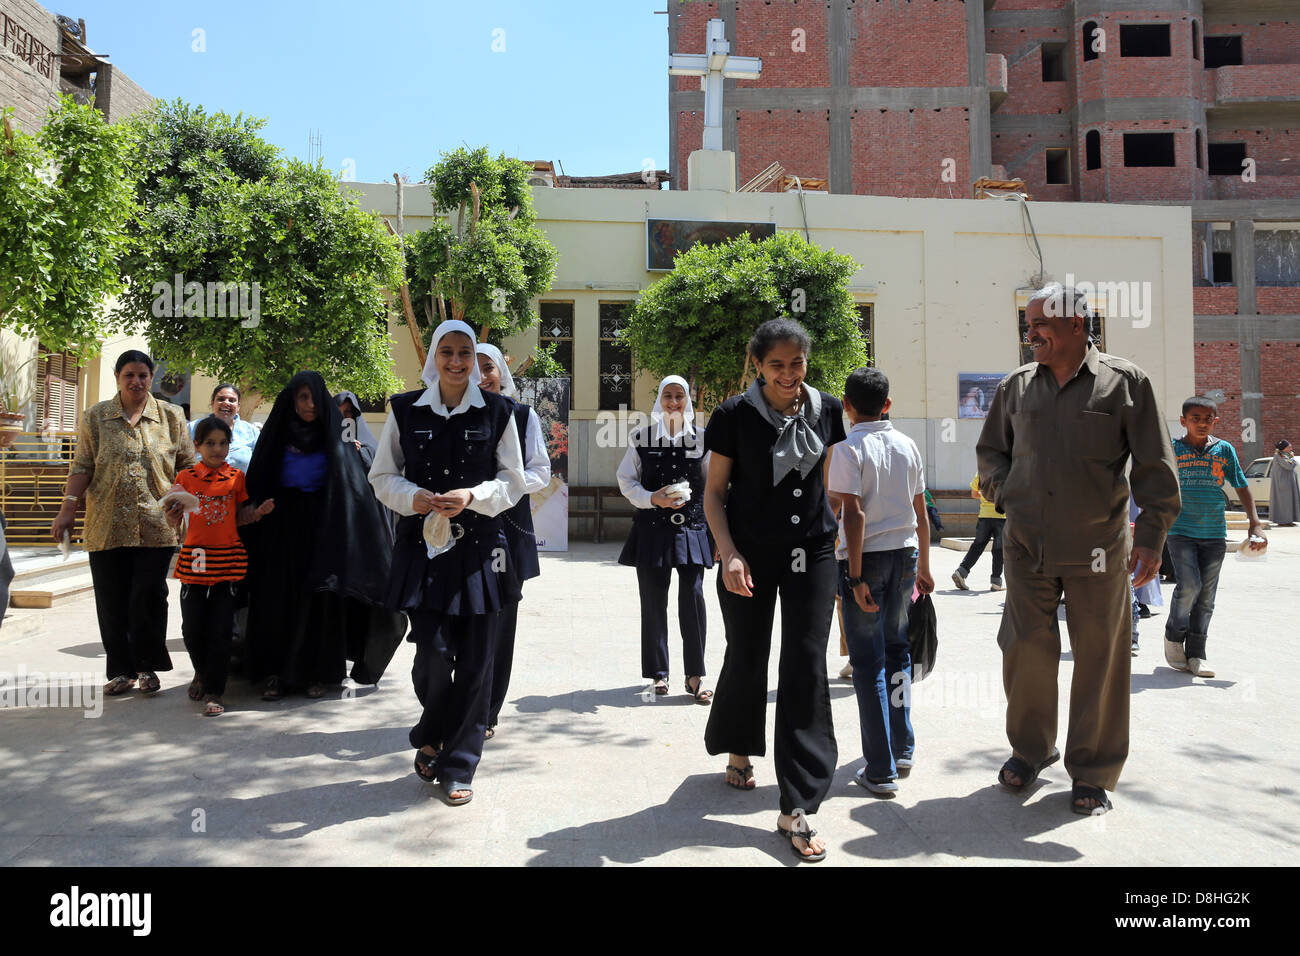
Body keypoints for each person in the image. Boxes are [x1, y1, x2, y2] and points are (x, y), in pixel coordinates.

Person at [977, 283, 1181, 815]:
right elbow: (990, 453)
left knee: (1101, 657)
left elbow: (1156, 468)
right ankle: (1030, 749)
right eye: (1027, 325)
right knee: (1025, 649)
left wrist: (1153, 539)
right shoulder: (1016, 387)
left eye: (1039, 324)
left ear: (1076, 324)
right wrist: (1008, 493)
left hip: (1099, 549)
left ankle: (1091, 769)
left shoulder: (1126, 384)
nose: (1030, 334)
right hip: (1026, 546)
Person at [702, 318, 846, 862]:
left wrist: (835, 539)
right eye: (777, 365)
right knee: (748, 655)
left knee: (806, 664)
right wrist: (729, 553)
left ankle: (797, 805)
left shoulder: (828, 410)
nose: (788, 375)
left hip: (811, 555)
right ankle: (739, 746)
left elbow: (828, 483)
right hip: (749, 554)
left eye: (797, 363)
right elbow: (714, 495)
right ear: (758, 365)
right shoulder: (733, 417)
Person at [368, 320, 526, 806]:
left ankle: (458, 764)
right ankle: (433, 727)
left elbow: (514, 480)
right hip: (424, 549)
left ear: (476, 358)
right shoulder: (404, 409)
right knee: (433, 653)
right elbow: (382, 475)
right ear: (433, 357)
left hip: (481, 551)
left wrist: (473, 495)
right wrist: (412, 496)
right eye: (447, 353)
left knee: (478, 661)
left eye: (464, 353)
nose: (456, 363)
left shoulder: (500, 412)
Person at [242, 371, 406, 701]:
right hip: (280, 531)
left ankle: (319, 674)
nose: (310, 404)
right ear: (291, 399)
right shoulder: (276, 437)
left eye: (314, 397)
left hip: (324, 531)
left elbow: (354, 490)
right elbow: (258, 481)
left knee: (320, 603)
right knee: (278, 601)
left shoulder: (337, 440)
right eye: (302, 397)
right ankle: (275, 674)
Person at [51, 350, 196, 696]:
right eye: (129, 374)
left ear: (151, 377)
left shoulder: (172, 416)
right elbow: (82, 466)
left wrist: (186, 504)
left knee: (148, 596)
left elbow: (187, 467)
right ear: (118, 376)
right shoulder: (95, 417)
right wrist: (67, 508)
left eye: (143, 375)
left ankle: (147, 668)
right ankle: (121, 670)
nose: (137, 381)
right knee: (111, 599)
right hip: (106, 523)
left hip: (157, 525)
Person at [828, 367, 934, 795]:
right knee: (897, 653)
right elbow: (921, 511)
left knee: (867, 662)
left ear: (847, 407)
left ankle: (880, 769)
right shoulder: (908, 445)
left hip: (864, 560)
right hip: (905, 556)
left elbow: (852, 514)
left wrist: (853, 577)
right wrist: (925, 565)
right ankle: (902, 746)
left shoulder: (847, 449)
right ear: (888, 404)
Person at [166, 415, 275, 715]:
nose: (217, 449)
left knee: (221, 630)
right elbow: (174, 516)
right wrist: (172, 517)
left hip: (227, 563)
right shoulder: (185, 478)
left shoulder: (236, 478)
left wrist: (257, 513)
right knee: (192, 628)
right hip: (194, 564)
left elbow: (237, 517)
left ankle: (215, 690)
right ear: (197, 445)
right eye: (210, 443)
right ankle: (200, 671)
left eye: (223, 443)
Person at [616, 374, 714, 702]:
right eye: (668, 396)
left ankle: (695, 675)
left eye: (679, 396)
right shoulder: (641, 437)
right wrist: (651, 499)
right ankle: (659, 674)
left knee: (694, 600)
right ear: (660, 399)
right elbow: (627, 481)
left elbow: (714, 488)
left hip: (692, 529)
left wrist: (716, 537)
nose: (673, 402)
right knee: (653, 602)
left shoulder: (703, 440)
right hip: (652, 530)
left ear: (688, 400)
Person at [475, 342, 551, 738]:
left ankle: (487, 711)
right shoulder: (449, 416)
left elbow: (540, 470)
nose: (480, 375)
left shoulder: (522, 416)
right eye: (471, 366)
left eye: (487, 367)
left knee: (501, 621)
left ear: (500, 371)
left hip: (507, 531)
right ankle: (458, 702)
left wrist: (502, 487)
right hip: (457, 533)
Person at [1163, 397, 1266, 678]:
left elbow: (1242, 487)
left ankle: (1197, 654)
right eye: (1195, 418)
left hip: (1213, 533)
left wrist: (1254, 523)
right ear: (1183, 421)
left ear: (1215, 421)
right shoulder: (1172, 450)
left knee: (1207, 597)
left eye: (1208, 418)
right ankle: (1174, 635)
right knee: (1190, 586)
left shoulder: (1224, 450)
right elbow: (1156, 484)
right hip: (1180, 530)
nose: (1202, 423)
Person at [952, 473, 1005, 591]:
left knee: (977, 546)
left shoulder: (981, 472)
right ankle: (996, 582)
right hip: (1001, 517)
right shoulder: (1005, 469)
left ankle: (961, 572)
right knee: (998, 550)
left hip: (984, 516)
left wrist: (985, 497)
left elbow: (974, 493)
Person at [190, 384, 260, 473]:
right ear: (212, 403)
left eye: (232, 400)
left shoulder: (252, 432)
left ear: (238, 406)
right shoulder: (193, 428)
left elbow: (260, 464)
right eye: (221, 399)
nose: (226, 403)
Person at [335, 391, 380, 470]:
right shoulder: (321, 437)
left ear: (354, 414)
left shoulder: (366, 440)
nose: (342, 416)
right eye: (338, 412)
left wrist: (360, 452)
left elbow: (379, 467)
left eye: (347, 412)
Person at [1270, 440, 1300, 527]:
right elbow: (1289, 466)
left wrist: (1291, 458)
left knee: (1290, 502)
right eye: (1289, 447)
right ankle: (1282, 521)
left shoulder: (1285, 455)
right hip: (1283, 483)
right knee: (1284, 503)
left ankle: (1289, 520)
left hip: (1289, 482)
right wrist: (1293, 458)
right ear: (1284, 448)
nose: (1291, 448)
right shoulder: (1278, 455)